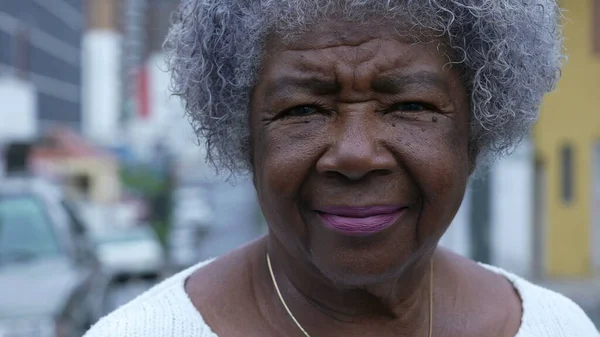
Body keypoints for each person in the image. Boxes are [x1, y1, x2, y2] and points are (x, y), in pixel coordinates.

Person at [85, 1, 599, 336]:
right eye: (303, 109)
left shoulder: (557, 327)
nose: (355, 155)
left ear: (474, 131)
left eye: (410, 106)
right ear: (247, 140)